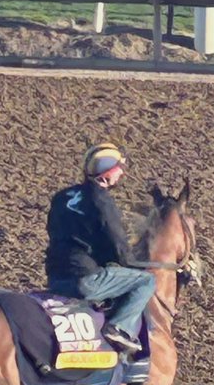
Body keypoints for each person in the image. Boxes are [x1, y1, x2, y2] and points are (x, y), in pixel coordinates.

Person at [44, 143, 155, 355]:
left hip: (55, 277)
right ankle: (118, 327)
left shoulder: (61, 197)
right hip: (83, 280)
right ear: (107, 172)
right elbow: (118, 245)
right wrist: (135, 266)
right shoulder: (102, 201)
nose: (121, 174)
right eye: (119, 169)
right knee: (146, 281)